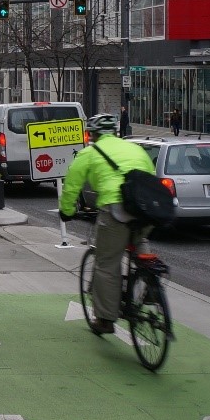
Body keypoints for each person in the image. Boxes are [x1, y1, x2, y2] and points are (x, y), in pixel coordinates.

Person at [58, 113, 157, 336]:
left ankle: (105, 319)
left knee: (107, 264)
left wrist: (67, 211)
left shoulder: (90, 152)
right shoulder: (135, 149)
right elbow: (151, 175)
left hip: (116, 209)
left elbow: (72, 184)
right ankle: (149, 281)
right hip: (145, 208)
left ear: (93, 134)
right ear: (114, 132)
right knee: (140, 242)